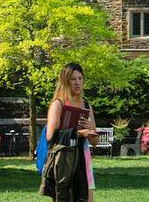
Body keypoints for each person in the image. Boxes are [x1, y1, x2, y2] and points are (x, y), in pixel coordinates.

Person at [43, 62, 99, 202]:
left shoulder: (86, 105)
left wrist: (91, 129)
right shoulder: (58, 104)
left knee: (86, 198)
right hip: (64, 160)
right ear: (65, 81)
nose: (77, 83)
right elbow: (51, 137)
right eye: (73, 79)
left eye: (80, 78)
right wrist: (78, 133)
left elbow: (94, 142)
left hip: (83, 159)